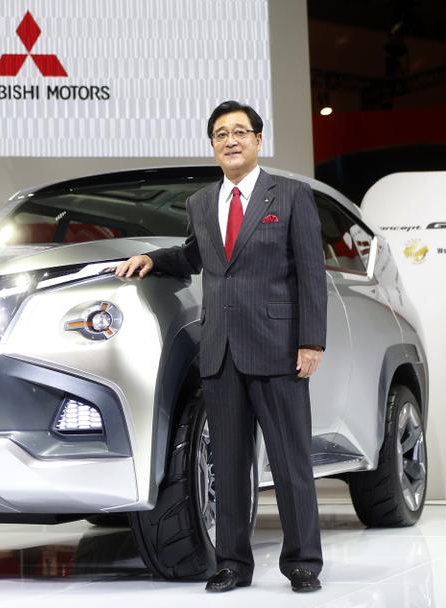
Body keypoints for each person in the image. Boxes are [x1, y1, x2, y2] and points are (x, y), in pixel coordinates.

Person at [114, 101, 327, 594]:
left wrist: (311, 341)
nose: (230, 141)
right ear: (213, 145)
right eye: (220, 134)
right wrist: (152, 258)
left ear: (257, 140)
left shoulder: (291, 195)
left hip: (279, 349)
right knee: (228, 466)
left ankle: (303, 564)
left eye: (240, 132)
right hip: (220, 352)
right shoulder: (201, 203)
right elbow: (196, 254)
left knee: (291, 461)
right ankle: (232, 563)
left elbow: (311, 274)